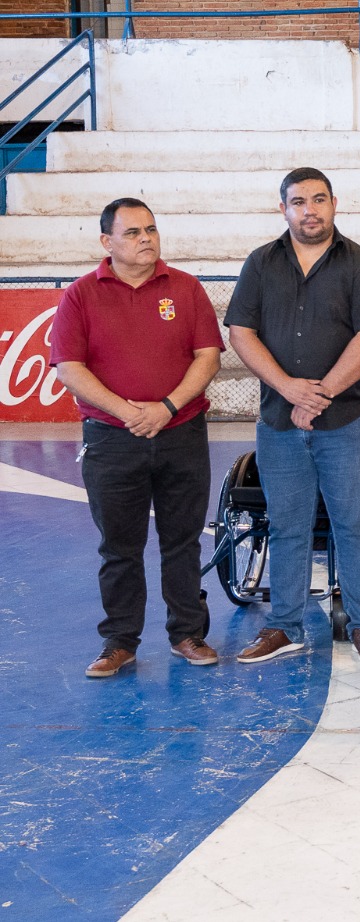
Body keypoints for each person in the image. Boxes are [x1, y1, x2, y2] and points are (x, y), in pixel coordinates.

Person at [225, 168, 360, 665]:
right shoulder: (260, 263)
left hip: (347, 420)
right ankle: (286, 626)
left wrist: (319, 394)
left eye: (319, 200)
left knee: (355, 524)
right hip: (279, 422)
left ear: (334, 204)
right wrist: (288, 388)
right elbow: (240, 332)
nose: (310, 210)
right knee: (287, 527)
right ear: (283, 209)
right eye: (299, 202)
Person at [50, 198, 224, 678]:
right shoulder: (80, 295)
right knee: (119, 547)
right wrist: (128, 412)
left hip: (181, 433)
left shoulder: (185, 288)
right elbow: (69, 368)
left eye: (151, 229)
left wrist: (166, 407)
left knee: (182, 541)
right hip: (112, 439)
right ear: (106, 241)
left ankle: (187, 634)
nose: (146, 238)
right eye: (132, 232)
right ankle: (119, 642)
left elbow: (208, 356)